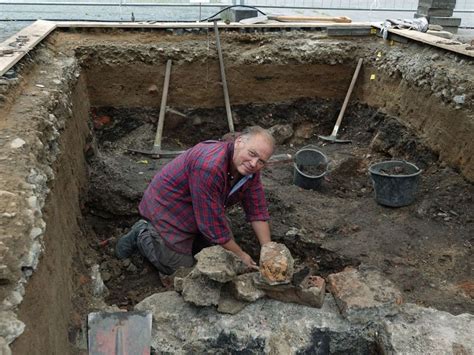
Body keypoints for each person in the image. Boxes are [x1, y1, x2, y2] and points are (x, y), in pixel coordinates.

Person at [116, 126, 275, 275]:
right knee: (181, 269)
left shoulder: (249, 169)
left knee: (220, 248)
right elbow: (211, 225)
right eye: (252, 153)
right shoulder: (209, 166)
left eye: (261, 161)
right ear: (239, 141)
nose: (254, 163)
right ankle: (142, 233)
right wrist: (240, 255)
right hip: (168, 210)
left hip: (198, 208)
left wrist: (268, 250)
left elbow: (257, 208)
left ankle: (192, 239)